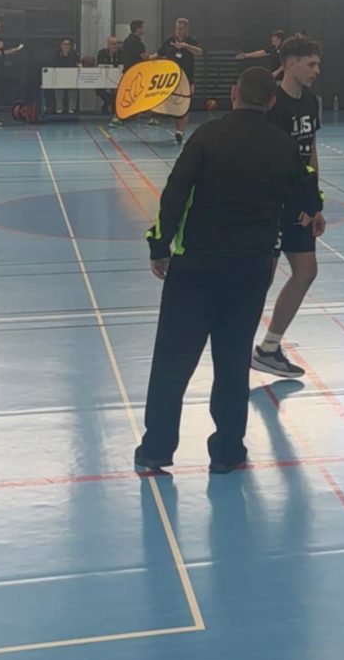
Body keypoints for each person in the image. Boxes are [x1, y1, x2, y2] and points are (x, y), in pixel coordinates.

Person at [134, 67, 322, 474]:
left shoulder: (207, 137)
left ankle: (156, 449)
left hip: (196, 267)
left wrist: (160, 244)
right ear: (271, 101)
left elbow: (175, 192)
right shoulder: (285, 147)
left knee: (172, 362)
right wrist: (312, 211)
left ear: (234, 93)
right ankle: (228, 451)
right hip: (251, 270)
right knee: (233, 362)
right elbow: (305, 197)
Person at [251, 35, 326, 378]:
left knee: (306, 271)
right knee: (260, 279)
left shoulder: (311, 102)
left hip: (300, 203)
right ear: (290, 64)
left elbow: (311, 150)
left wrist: (315, 201)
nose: (317, 70)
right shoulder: (273, 105)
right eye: (311, 64)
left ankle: (269, 348)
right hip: (272, 204)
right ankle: (235, 342)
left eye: (318, 64)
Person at [158, 18, 204, 146]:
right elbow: (159, 53)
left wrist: (186, 46)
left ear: (186, 29)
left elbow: (199, 52)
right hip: (172, 78)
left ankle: (181, 130)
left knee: (186, 104)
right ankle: (178, 129)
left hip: (187, 78)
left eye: (181, 29)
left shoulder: (191, 40)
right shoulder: (169, 40)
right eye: (177, 28)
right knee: (175, 105)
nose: (179, 31)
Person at [111, 20, 146, 127]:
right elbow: (144, 57)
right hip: (134, 73)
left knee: (128, 94)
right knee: (127, 94)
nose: (143, 30)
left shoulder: (126, 41)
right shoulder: (137, 43)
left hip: (127, 71)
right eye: (142, 28)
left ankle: (129, 114)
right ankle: (117, 116)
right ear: (137, 29)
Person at [46, 37, 79, 117]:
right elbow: (55, 65)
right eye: (64, 44)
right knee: (58, 90)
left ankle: (72, 109)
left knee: (73, 90)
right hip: (59, 77)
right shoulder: (57, 55)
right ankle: (59, 109)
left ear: (70, 46)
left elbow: (75, 64)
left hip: (71, 77)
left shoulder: (74, 55)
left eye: (68, 44)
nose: (66, 46)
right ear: (61, 46)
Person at [96, 36, 122, 115]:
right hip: (104, 76)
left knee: (117, 91)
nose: (115, 46)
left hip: (117, 77)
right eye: (113, 44)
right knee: (99, 91)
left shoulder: (121, 53)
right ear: (108, 44)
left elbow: (122, 64)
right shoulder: (102, 52)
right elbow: (100, 63)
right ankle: (109, 102)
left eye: (116, 44)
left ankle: (111, 107)